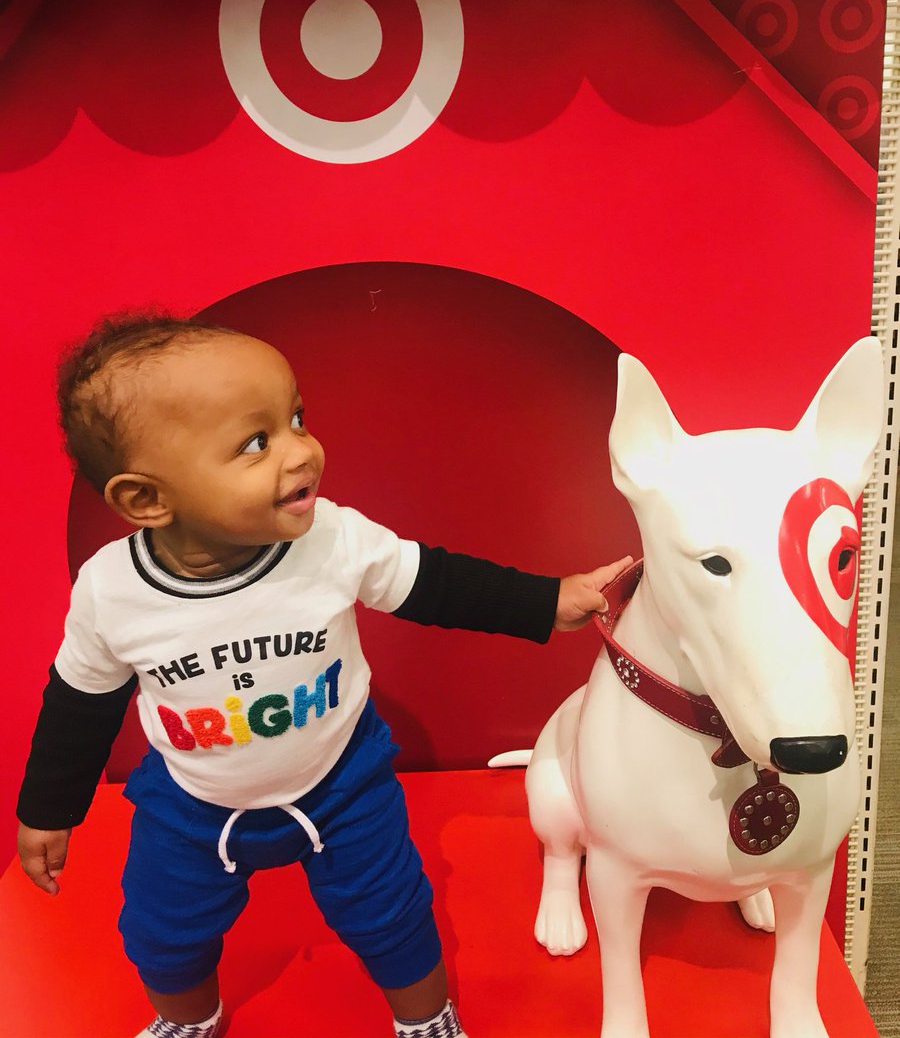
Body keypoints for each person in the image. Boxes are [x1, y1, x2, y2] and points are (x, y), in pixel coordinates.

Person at [16, 314, 632, 1038]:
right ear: (148, 501)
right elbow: (80, 701)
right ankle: (190, 1020)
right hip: (192, 803)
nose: (303, 450)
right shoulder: (112, 590)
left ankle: (426, 1017)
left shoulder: (330, 539)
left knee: (393, 914)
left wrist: (545, 600)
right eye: (257, 442)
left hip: (342, 785)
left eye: (296, 419)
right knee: (159, 934)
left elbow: (432, 581)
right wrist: (48, 808)